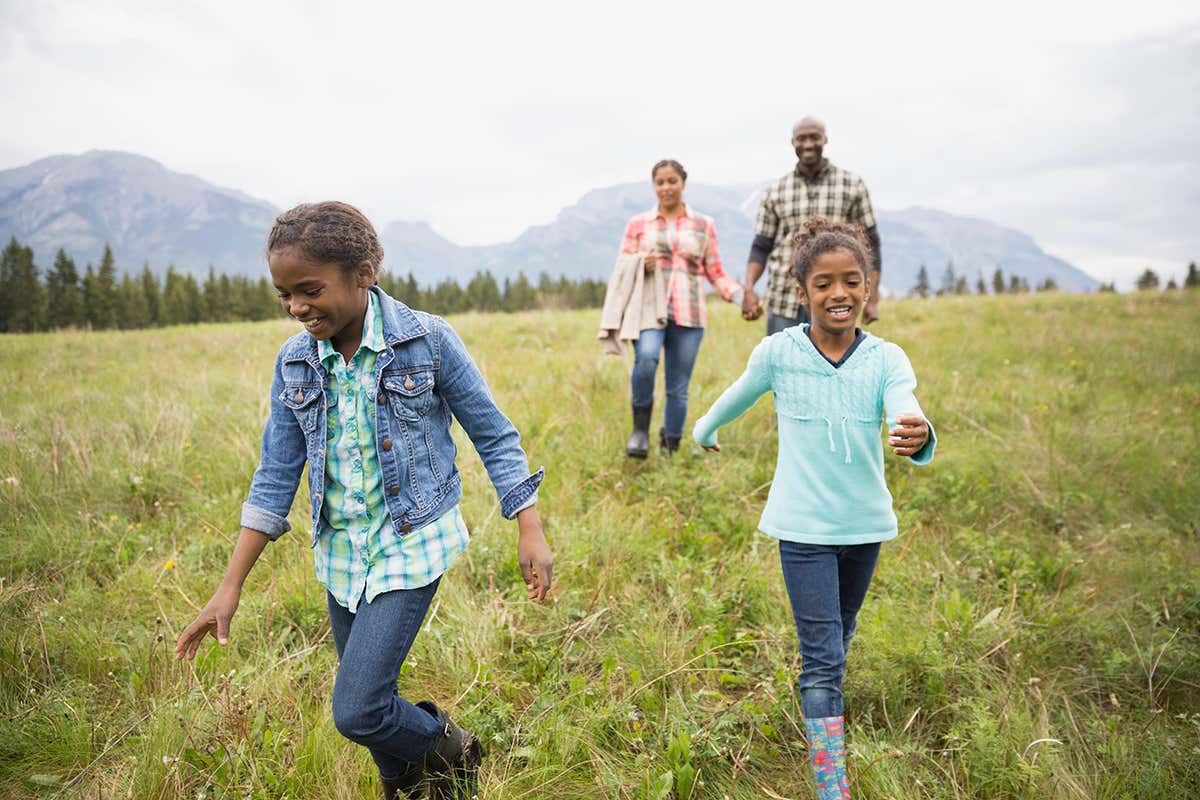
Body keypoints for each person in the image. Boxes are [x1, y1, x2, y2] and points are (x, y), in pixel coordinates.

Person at [174, 202, 554, 800]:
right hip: (341, 556)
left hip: (411, 545)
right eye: (284, 294)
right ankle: (410, 786)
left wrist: (527, 524)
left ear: (365, 272)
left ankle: (453, 750)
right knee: (372, 699)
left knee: (356, 710)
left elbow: (493, 433)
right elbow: (275, 476)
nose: (297, 307)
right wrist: (230, 586)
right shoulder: (295, 362)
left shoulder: (426, 341)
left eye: (310, 289)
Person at [693, 218, 935, 799]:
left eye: (852, 281)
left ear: (868, 287)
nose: (839, 293)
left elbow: (907, 407)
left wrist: (919, 433)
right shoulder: (778, 352)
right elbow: (739, 393)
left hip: (865, 525)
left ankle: (821, 704)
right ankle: (832, 784)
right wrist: (704, 428)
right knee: (823, 657)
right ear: (802, 293)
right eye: (824, 283)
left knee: (839, 635)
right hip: (802, 527)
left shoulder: (886, 359)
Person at [617, 159, 743, 457]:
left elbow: (715, 271)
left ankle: (670, 448)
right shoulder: (638, 224)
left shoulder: (703, 225)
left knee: (678, 386)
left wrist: (739, 297)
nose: (666, 187)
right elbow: (622, 264)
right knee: (645, 359)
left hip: (690, 312)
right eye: (660, 182)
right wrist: (638, 263)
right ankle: (639, 432)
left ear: (683, 183)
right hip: (649, 309)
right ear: (654, 187)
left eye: (672, 181)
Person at [741, 117, 883, 335]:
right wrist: (749, 289)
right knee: (783, 365)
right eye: (802, 139)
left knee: (835, 364)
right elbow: (761, 246)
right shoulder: (777, 191)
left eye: (814, 137)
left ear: (825, 140)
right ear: (793, 143)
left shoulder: (852, 185)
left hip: (835, 298)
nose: (808, 144)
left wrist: (872, 298)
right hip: (783, 299)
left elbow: (871, 243)